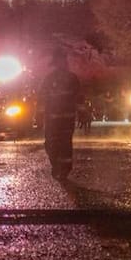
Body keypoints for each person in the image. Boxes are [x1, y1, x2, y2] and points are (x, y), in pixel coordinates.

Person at [41, 47, 80, 178]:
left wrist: (82, 112)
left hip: (65, 120)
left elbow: (79, 97)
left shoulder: (72, 79)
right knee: (51, 144)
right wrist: (38, 116)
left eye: (62, 61)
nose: (60, 64)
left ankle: (63, 169)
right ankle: (58, 166)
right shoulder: (49, 79)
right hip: (53, 120)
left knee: (64, 144)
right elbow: (42, 98)